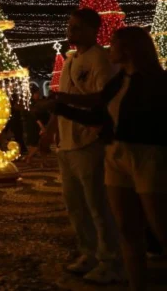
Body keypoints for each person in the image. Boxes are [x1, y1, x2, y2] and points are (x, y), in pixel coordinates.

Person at [51, 26, 167, 291]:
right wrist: (61, 107)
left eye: (113, 43)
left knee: (160, 225)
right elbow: (98, 110)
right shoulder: (119, 81)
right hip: (116, 155)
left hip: (147, 155)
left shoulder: (156, 82)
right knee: (126, 228)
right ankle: (137, 284)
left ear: (128, 49)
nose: (109, 48)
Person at [40, 9, 122, 284]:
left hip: (89, 140)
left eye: (76, 27)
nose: (70, 32)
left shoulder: (99, 59)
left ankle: (110, 260)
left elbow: (101, 99)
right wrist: (50, 130)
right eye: (70, 26)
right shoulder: (70, 60)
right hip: (67, 143)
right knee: (75, 205)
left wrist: (63, 103)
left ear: (92, 30)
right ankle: (88, 252)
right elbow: (61, 103)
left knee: (98, 204)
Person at [24, 91, 50, 167]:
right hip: (35, 126)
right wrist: (41, 126)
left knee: (43, 144)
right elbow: (36, 117)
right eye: (36, 94)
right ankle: (29, 157)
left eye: (38, 93)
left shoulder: (40, 102)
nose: (38, 95)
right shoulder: (32, 104)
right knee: (37, 144)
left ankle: (44, 161)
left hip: (41, 124)